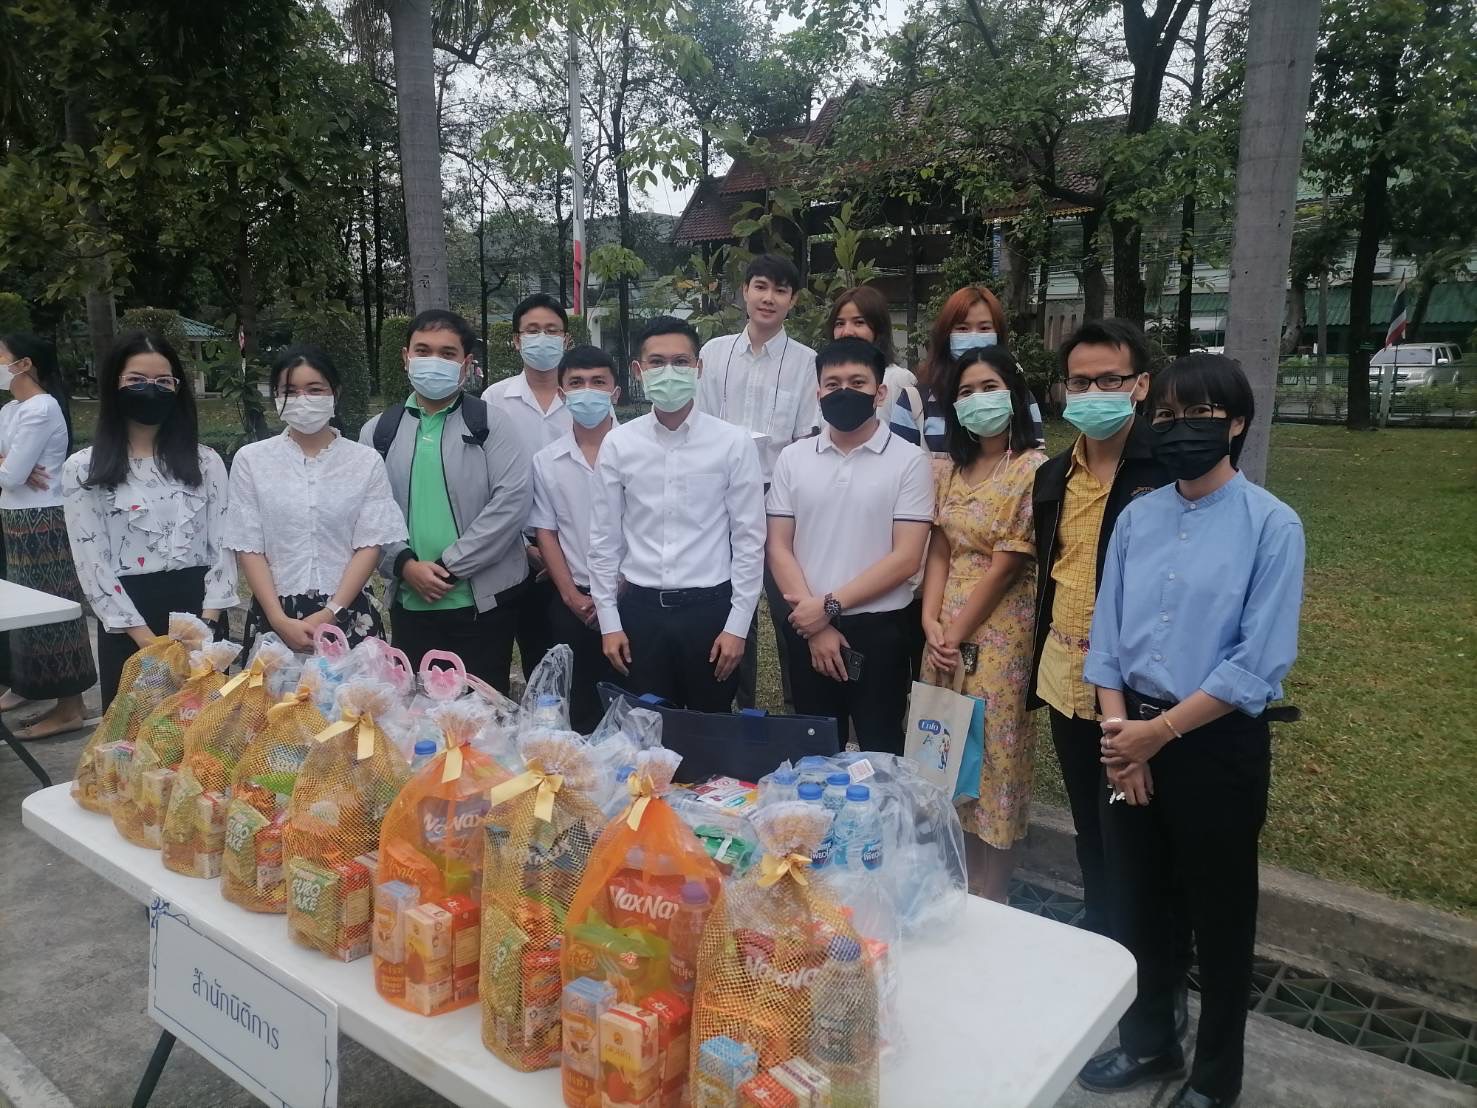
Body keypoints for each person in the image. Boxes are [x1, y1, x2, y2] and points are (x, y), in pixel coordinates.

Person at [1079, 354, 1304, 1108]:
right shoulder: (1137, 517)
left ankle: (1214, 1078)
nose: (1178, 431)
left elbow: (1256, 662)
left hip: (1213, 747)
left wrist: (1159, 735)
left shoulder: (1271, 525)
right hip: (1126, 736)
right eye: (1166, 417)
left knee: (1219, 916)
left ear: (1235, 423)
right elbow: (1105, 640)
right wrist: (1123, 740)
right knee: (1136, 902)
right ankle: (1148, 1041)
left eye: (1198, 417)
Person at [1029, 319, 1169, 937]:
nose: (1092, 393)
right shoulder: (1053, 477)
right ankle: (1102, 941)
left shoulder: (1168, 471)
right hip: (1067, 680)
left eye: (1109, 380)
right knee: (1091, 824)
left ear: (1140, 385)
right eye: (1080, 382)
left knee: (1139, 831)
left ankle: (1147, 955)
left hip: (1141, 691)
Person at [919, 344, 1045, 902]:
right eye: (966, 392)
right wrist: (930, 621)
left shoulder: (1031, 469)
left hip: (998, 637)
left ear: (1013, 394)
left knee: (994, 759)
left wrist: (955, 631)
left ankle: (993, 896)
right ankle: (958, 885)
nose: (978, 400)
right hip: (944, 636)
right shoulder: (950, 468)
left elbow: (1006, 566)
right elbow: (940, 550)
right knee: (947, 755)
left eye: (989, 388)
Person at [589, 316, 765, 711]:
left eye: (680, 362)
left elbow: (749, 540)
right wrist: (609, 622)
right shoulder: (619, 444)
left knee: (709, 726)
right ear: (638, 371)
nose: (669, 372)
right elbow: (603, 540)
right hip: (641, 613)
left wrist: (737, 626)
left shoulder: (732, 443)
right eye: (657, 362)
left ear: (698, 368)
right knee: (645, 729)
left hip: (710, 612)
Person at [766, 338, 932, 753]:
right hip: (807, 626)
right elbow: (779, 546)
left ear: (880, 392)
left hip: (880, 630)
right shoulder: (793, 458)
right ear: (818, 392)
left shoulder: (909, 461)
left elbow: (907, 557)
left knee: (882, 749)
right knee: (815, 751)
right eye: (833, 383)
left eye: (857, 382)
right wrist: (817, 622)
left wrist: (828, 607)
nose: (844, 391)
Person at [61, 331, 235, 709]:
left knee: (205, 735)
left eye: (163, 381)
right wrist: (146, 640)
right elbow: (91, 561)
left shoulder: (206, 462)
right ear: (114, 385)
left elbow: (223, 545)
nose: (151, 390)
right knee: (133, 737)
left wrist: (204, 627)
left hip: (201, 618)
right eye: (137, 380)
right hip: (129, 622)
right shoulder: (84, 469)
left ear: (177, 388)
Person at [362, 309, 531, 694]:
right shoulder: (379, 431)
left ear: (466, 365)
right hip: (410, 604)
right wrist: (404, 566)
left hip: (483, 607)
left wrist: (448, 568)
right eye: (423, 351)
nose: (433, 361)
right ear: (406, 357)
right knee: (415, 713)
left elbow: (511, 504)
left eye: (447, 353)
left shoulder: (491, 424)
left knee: (482, 714)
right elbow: (368, 512)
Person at [226, 345, 406, 657]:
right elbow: (249, 546)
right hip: (276, 615)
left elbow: (369, 545)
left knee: (354, 691)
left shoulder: (365, 461)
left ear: (335, 393)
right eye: (290, 391)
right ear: (276, 397)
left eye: (314, 389)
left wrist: (331, 612)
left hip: (348, 613)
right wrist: (278, 620)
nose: (303, 399)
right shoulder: (251, 460)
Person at [696, 253, 817, 711]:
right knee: (732, 605)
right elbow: (700, 424)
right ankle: (737, 709)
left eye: (780, 290)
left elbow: (807, 437)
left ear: (793, 300)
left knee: (790, 607)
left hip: (779, 498)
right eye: (761, 287)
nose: (769, 298)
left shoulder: (807, 363)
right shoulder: (713, 354)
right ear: (744, 291)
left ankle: (799, 711)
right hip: (720, 497)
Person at [0, 332, 96, 737]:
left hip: (43, 520)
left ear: (23, 364)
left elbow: (11, 476)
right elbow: (10, 471)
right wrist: (9, 464)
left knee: (55, 612)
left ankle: (70, 706)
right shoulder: (11, 410)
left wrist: (10, 467)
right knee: (28, 615)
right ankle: (38, 691)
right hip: (17, 518)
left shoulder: (41, 407)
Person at [483, 292, 574, 681]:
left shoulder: (585, 396)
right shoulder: (495, 400)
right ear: (517, 340)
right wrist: (526, 548)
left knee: (577, 655)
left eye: (552, 330)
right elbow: (484, 480)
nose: (542, 338)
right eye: (532, 330)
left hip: (576, 551)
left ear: (566, 339)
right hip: (516, 549)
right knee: (534, 652)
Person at [530, 344, 620, 732]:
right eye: (577, 383)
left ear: (616, 392)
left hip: (631, 594)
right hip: (575, 600)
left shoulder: (638, 451)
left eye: (598, 382)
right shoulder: (546, 460)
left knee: (632, 700)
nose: (588, 391)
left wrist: (619, 592)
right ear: (562, 393)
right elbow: (546, 531)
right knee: (579, 703)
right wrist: (570, 595)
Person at [890, 284, 1043, 454]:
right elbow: (898, 464)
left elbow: (1034, 459)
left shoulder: (1020, 397)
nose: (974, 336)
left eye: (984, 328)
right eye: (963, 328)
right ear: (946, 335)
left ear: (998, 334)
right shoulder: (914, 401)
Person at [825, 286, 916, 423]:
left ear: (878, 329)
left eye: (859, 322)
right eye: (840, 323)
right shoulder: (825, 380)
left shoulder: (898, 380)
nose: (847, 332)